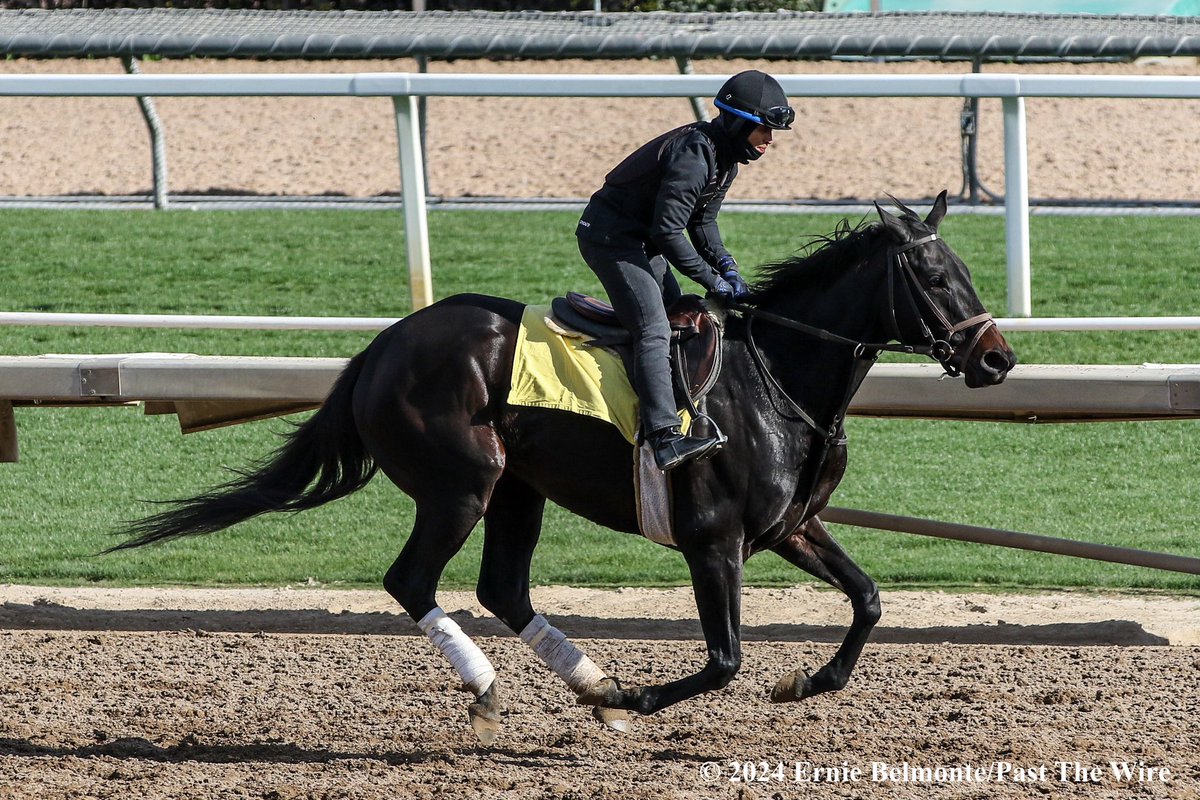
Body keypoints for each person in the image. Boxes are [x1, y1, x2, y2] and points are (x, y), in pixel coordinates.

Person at [575, 70, 794, 471]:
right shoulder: (695, 155)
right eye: (764, 129)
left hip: (641, 240)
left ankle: (686, 405)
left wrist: (728, 268)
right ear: (739, 122)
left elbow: (703, 223)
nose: (770, 140)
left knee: (685, 314)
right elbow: (670, 232)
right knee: (654, 328)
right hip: (612, 241)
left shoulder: (725, 160)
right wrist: (713, 281)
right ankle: (663, 438)